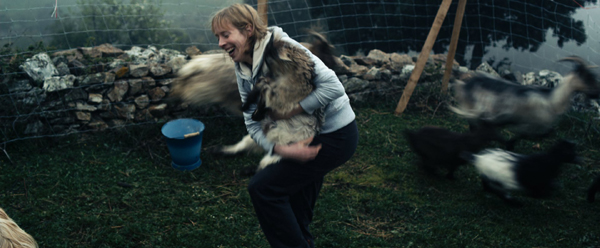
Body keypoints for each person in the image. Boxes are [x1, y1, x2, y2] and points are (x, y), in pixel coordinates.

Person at [211, 4, 359, 247]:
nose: (219, 43)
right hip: (298, 136)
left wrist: (294, 109)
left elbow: (334, 87)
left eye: (225, 35)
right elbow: (251, 120)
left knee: (263, 188)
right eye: (217, 37)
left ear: (248, 30)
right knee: (295, 199)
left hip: (335, 134)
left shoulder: (283, 48)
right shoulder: (242, 66)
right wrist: (280, 149)